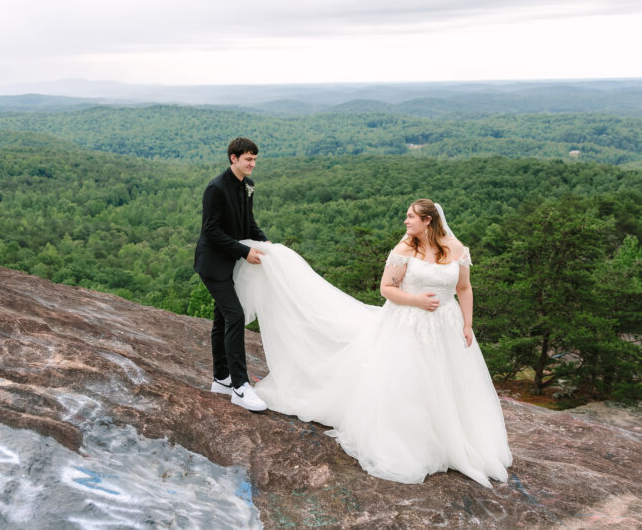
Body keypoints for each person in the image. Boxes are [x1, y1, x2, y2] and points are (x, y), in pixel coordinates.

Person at [233, 199, 512, 486]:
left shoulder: (456, 249)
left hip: (447, 325)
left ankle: (454, 439)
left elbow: (463, 288)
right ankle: (414, 442)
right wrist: (416, 300)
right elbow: (386, 289)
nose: (406, 221)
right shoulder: (405, 249)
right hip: (408, 323)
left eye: (411, 217)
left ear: (428, 220)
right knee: (410, 383)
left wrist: (467, 324)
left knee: (449, 382)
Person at [194, 137, 269, 412]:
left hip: (230, 263)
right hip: (213, 265)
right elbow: (211, 231)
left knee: (220, 318)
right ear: (233, 158)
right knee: (234, 316)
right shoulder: (215, 188)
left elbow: (248, 223)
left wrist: (266, 244)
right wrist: (243, 252)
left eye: (255, 160)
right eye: (248, 159)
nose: (252, 164)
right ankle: (240, 386)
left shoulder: (248, 186)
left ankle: (221, 378)